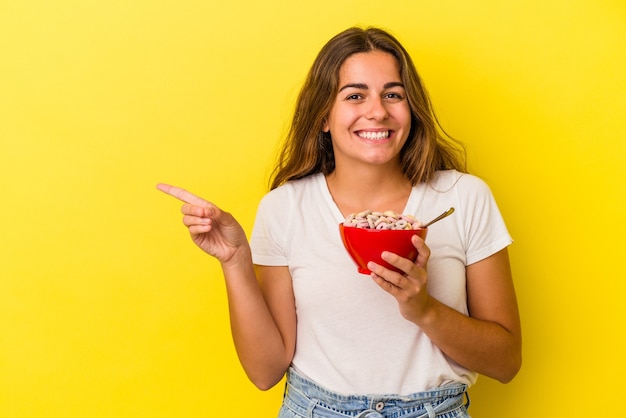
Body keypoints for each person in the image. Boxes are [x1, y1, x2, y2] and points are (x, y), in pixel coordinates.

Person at [157, 26, 521, 418]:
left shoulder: (463, 198)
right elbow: (265, 372)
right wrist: (234, 261)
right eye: (355, 95)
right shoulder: (285, 208)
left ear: (411, 110)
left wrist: (424, 309)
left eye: (393, 94)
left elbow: (506, 362)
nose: (377, 110)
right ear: (324, 117)